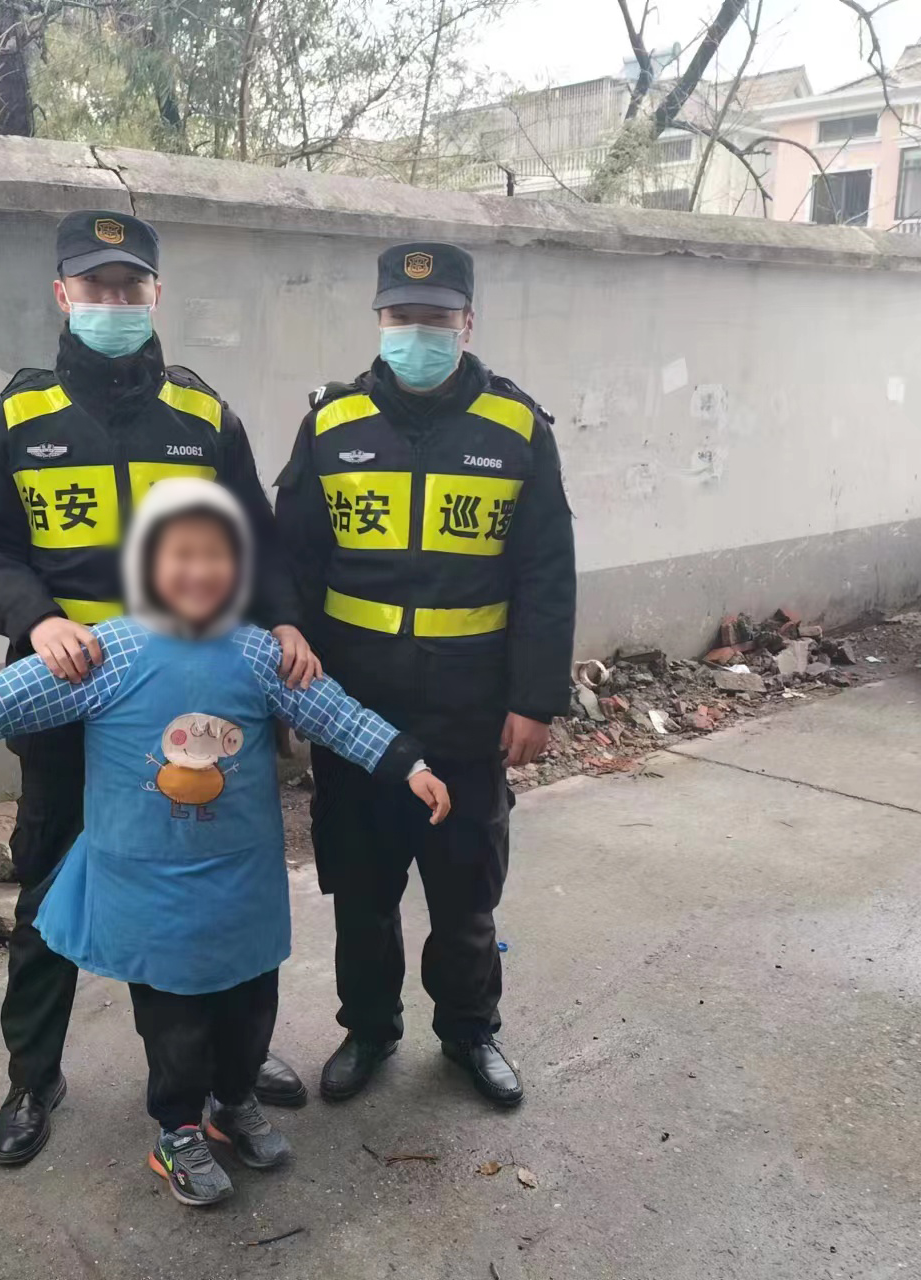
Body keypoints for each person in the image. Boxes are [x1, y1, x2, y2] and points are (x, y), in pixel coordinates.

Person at [0, 479, 451, 1207]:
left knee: (250, 1006)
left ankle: (233, 1102)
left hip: (243, 882)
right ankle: (178, 1130)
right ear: (146, 566)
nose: (198, 570)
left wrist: (409, 765)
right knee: (176, 1025)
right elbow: (6, 699)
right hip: (152, 888)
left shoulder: (259, 655)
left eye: (215, 555)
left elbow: (337, 715)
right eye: (179, 555)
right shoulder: (107, 652)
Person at [0, 210, 315, 1166]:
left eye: (129, 286)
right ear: (62, 295)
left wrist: (282, 622)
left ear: (155, 296)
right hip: (68, 696)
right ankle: (34, 1076)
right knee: (50, 886)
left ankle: (231, 1070)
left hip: (193, 703)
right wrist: (36, 619)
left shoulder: (202, 417)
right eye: (95, 286)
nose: (114, 301)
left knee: (214, 881)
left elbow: (258, 543)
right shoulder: (16, 418)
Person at [274, 241, 577, 1108]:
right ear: (380, 320)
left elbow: (546, 574)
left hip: (468, 712)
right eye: (403, 317)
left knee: (464, 893)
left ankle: (469, 1032)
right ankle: (369, 1029)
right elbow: (288, 556)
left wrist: (534, 700)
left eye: (436, 318)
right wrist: (288, 653)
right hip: (355, 709)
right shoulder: (331, 425)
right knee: (361, 892)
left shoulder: (516, 428)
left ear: (466, 323)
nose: (418, 332)